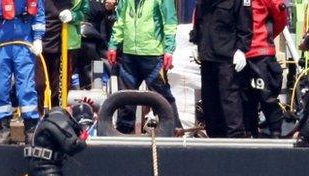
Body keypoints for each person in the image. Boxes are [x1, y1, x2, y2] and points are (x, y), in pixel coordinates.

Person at [0, 0, 45, 144]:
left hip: (25, 40)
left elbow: (39, 13)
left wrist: (38, 38)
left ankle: (31, 131)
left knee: (27, 88)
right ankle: (4, 131)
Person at [107, 0, 182, 134]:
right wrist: (113, 44)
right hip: (129, 55)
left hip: (153, 56)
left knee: (163, 98)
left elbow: (170, 22)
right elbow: (120, 20)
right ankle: (122, 136)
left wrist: (169, 50)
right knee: (125, 100)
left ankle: (175, 130)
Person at [190, 0, 252, 138]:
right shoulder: (203, 2)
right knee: (209, 101)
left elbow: (245, 26)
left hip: (227, 57)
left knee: (229, 99)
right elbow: (199, 23)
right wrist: (195, 42)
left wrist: (241, 49)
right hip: (207, 57)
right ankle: (214, 138)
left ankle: (235, 138)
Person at [242, 0, 287, 138]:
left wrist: (266, 38)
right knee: (245, 99)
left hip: (261, 53)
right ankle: (249, 133)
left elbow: (280, 16)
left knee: (267, 97)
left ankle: (275, 132)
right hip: (240, 53)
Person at [37, 0, 89, 109]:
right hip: (38, 46)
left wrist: (73, 16)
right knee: (37, 86)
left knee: (59, 90)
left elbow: (85, 13)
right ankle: (36, 119)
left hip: (64, 47)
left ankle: (56, 118)